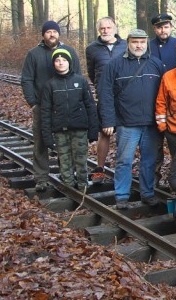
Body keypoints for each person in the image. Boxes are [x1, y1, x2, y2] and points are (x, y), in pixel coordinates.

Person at [98, 29, 165, 209]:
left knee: (149, 161)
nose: (139, 45)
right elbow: (105, 93)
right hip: (126, 123)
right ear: (128, 42)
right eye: (135, 42)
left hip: (151, 124)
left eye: (142, 42)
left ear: (147, 43)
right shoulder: (115, 65)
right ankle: (121, 196)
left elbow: (164, 94)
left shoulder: (156, 64)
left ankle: (148, 193)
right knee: (124, 160)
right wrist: (108, 120)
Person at [21, 20, 81, 193]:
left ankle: (67, 174)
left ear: (59, 34)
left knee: (67, 140)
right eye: (48, 32)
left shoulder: (69, 51)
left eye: (55, 31)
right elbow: (26, 79)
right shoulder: (34, 54)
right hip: (42, 106)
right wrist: (32, 103)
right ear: (43, 34)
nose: (52, 34)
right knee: (40, 142)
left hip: (65, 106)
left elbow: (78, 76)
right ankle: (41, 178)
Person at [40, 49, 99, 191]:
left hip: (79, 127)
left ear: (69, 62)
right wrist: (47, 135)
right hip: (60, 129)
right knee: (64, 159)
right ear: (54, 64)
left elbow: (90, 105)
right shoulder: (50, 85)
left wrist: (93, 129)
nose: (61, 63)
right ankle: (69, 186)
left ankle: (82, 184)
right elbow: (45, 111)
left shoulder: (80, 81)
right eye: (58, 61)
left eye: (64, 60)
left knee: (81, 158)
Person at [85, 16, 127, 184]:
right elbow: (91, 72)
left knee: (124, 131)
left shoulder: (125, 46)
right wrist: (99, 87)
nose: (105, 31)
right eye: (102, 28)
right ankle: (100, 167)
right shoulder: (92, 49)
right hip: (104, 95)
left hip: (124, 95)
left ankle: (123, 166)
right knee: (105, 131)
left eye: (109, 27)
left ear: (115, 29)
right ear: (98, 30)